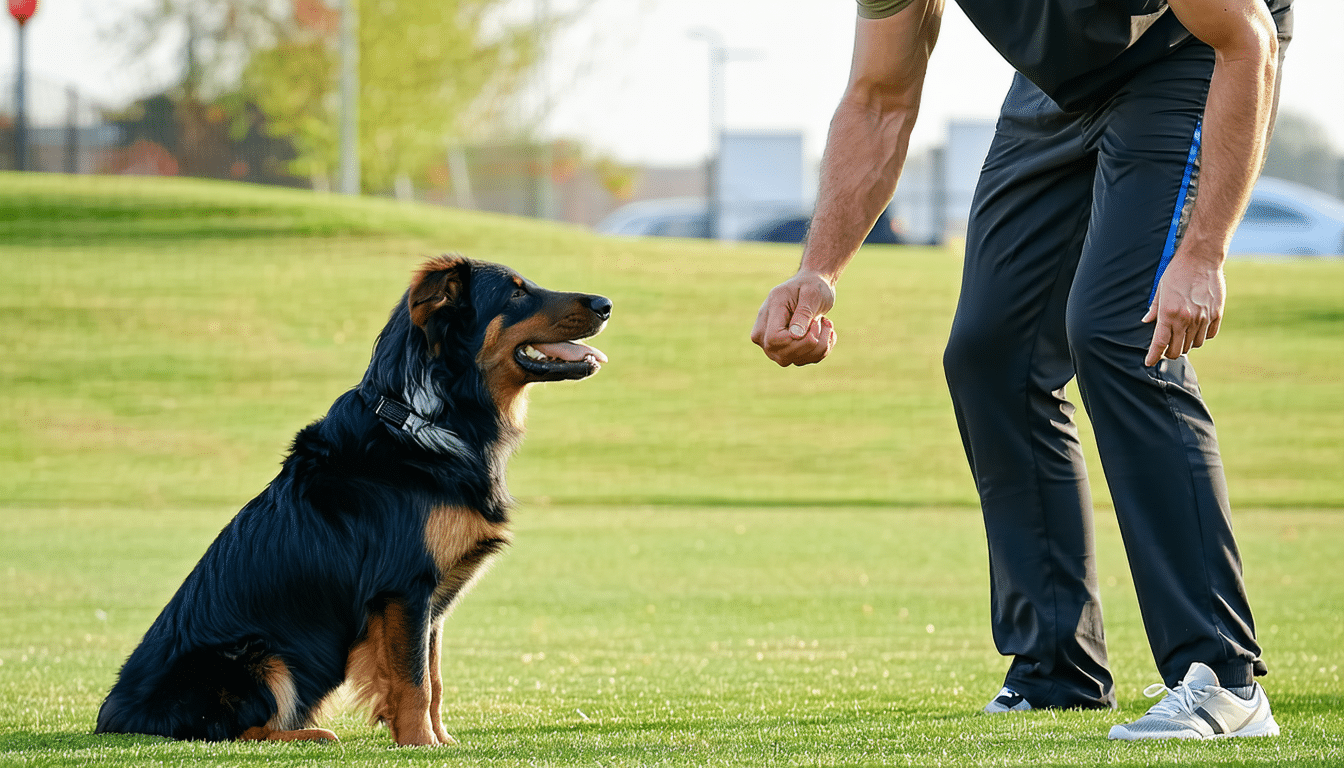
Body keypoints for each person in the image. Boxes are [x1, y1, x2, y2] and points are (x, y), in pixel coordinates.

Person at [750, 0, 1292, 741]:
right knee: (990, 355)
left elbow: (1247, 38)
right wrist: (819, 271)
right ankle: (1057, 671)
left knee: (1118, 332)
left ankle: (1222, 679)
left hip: (1195, 49)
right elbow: (879, 99)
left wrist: (1202, 255)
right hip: (1065, 81)